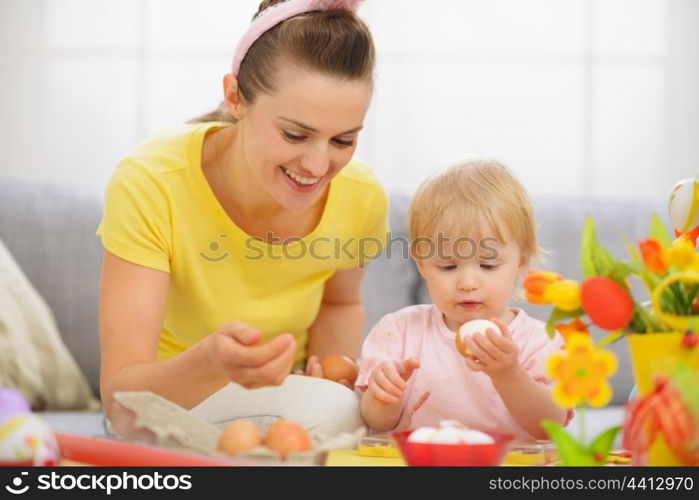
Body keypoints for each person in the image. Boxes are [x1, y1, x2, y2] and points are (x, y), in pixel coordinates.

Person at [97, 0, 386, 436]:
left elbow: (339, 301)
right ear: (235, 98)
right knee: (340, 415)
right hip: (168, 401)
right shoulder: (151, 181)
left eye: (343, 140)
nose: (317, 165)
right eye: (295, 134)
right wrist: (210, 365)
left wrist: (331, 371)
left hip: (290, 397)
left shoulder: (361, 197)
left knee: (349, 409)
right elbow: (121, 402)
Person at [356, 160, 571, 440]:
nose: (468, 284)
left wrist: (509, 374)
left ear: (520, 262)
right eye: (448, 267)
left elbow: (550, 425)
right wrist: (383, 399)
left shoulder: (541, 341)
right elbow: (377, 422)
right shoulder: (399, 331)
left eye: (488, 265)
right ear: (422, 265)